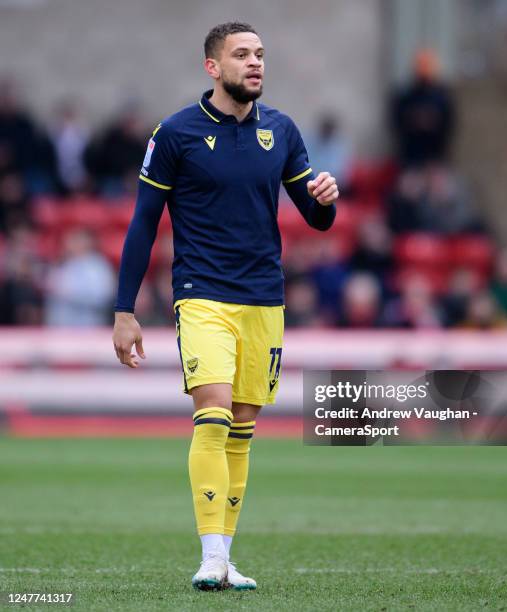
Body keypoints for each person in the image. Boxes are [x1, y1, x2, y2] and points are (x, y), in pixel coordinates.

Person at [112, 22, 338, 591]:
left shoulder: (282, 131)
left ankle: (226, 557)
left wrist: (325, 202)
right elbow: (143, 223)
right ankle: (211, 556)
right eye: (242, 54)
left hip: (264, 297)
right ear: (212, 67)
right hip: (202, 295)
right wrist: (124, 309)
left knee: (242, 427)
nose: (255, 63)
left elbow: (315, 218)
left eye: (260, 54)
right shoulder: (176, 134)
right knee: (211, 414)